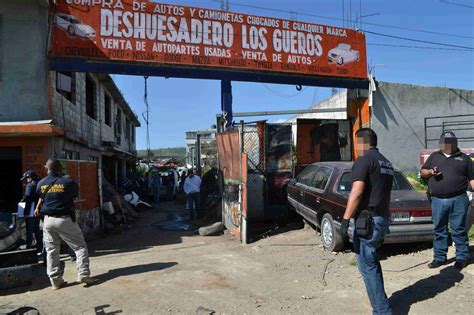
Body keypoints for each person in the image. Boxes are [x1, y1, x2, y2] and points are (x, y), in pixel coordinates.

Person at [340, 128, 394, 315]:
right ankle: (381, 305)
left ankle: (382, 311)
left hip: (368, 222)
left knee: (367, 268)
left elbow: (357, 192)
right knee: (372, 263)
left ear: (361, 142)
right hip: (381, 218)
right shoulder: (385, 162)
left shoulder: (364, 160)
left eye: (356, 143)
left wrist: (345, 220)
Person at [34, 158, 94, 289]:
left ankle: (55, 281)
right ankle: (83, 274)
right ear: (59, 169)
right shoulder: (67, 181)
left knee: (52, 251)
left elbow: (40, 198)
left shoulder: (40, 183)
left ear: (47, 168)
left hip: (47, 221)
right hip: (64, 219)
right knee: (80, 247)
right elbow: (74, 194)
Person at [421, 131, 474, 270]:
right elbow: (423, 172)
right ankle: (439, 257)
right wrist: (430, 172)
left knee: (459, 229)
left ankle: (462, 257)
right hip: (438, 200)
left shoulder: (464, 158)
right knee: (439, 229)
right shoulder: (434, 156)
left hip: (459, 199)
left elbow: (472, 179)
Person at [20, 170, 42, 253]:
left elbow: (27, 198)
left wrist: (24, 212)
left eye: (27, 178)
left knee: (29, 230)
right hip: (38, 210)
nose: (26, 180)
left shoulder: (29, 186)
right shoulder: (39, 184)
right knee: (37, 230)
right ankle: (40, 247)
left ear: (30, 178)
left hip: (30, 210)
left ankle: (28, 248)